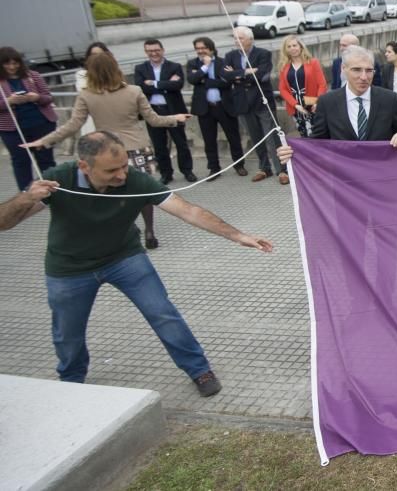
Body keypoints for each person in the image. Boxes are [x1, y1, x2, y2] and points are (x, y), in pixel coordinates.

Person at [0, 130, 272, 397]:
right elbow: (5, 223)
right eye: (111, 171)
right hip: (69, 268)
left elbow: (188, 211)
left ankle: (199, 369)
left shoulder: (136, 181)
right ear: (84, 166)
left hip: (124, 257)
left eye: (123, 166)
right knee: (67, 332)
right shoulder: (58, 179)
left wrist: (238, 235)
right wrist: (26, 197)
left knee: (162, 313)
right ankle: (71, 381)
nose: (121, 175)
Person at [23, 51, 188, 250]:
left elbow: (73, 125)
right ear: (115, 69)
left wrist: (44, 141)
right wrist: (174, 118)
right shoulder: (134, 91)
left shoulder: (86, 95)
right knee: (143, 192)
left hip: (105, 151)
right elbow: (153, 120)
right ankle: (149, 230)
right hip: (137, 147)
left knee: (111, 192)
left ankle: (125, 230)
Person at [222, 27, 287, 185]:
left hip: (261, 102)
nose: (237, 41)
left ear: (250, 39)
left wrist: (237, 74)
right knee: (255, 137)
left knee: (272, 137)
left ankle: (282, 170)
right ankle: (264, 167)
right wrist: (246, 72)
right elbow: (224, 76)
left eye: (241, 38)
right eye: (235, 38)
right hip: (243, 104)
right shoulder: (230, 56)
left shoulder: (263, 54)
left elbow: (263, 76)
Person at [135, 39, 195, 184]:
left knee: (181, 143)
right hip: (153, 112)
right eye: (150, 51)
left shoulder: (174, 66)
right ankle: (166, 174)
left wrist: (153, 83)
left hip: (173, 110)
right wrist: (166, 84)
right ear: (146, 52)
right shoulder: (140, 68)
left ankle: (187, 171)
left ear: (162, 50)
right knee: (159, 145)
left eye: (156, 50)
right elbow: (141, 88)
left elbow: (178, 85)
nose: (153, 53)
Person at [186, 37, 247, 181]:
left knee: (234, 137)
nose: (201, 51)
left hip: (224, 106)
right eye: (198, 48)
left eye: (203, 48)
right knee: (209, 140)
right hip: (205, 108)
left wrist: (205, 81)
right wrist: (205, 68)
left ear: (211, 48)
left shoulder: (222, 62)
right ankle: (214, 168)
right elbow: (192, 80)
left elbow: (227, 82)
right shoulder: (192, 63)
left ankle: (239, 165)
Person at [0, 46, 57, 191]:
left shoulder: (34, 75)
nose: (12, 67)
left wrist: (36, 97)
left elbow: (48, 97)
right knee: (21, 161)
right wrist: (9, 101)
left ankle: (52, 189)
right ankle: (26, 193)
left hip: (41, 123)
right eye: (7, 63)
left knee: (46, 160)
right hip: (12, 129)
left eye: (15, 63)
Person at [277, 35, 327, 137]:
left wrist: (317, 102)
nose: (292, 49)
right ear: (285, 49)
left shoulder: (313, 62)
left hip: (312, 105)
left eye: (294, 45)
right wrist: (295, 105)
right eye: (289, 46)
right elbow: (282, 89)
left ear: (300, 46)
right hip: (296, 107)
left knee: (317, 135)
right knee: (303, 135)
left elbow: (322, 85)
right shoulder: (284, 66)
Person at [75, 42, 113, 136]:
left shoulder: (113, 73)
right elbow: (87, 90)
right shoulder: (82, 74)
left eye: (101, 54)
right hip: (93, 118)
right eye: (94, 55)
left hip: (112, 116)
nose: (97, 58)